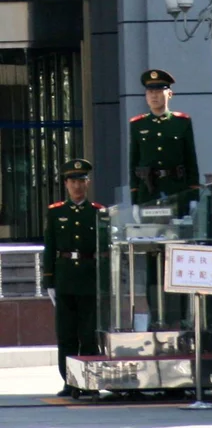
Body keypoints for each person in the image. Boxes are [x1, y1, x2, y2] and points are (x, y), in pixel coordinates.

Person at [129, 69, 200, 327]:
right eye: (150, 91)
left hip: (176, 194)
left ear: (169, 94)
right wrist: (135, 200)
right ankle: (155, 315)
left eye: (159, 91)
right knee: (152, 257)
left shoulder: (181, 122)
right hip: (150, 197)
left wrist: (192, 196)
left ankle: (179, 316)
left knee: (177, 256)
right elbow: (133, 163)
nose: (154, 96)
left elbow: (191, 160)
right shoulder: (138, 125)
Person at [42, 158, 104, 397]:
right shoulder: (56, 212)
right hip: (65, 277)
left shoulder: (97, 212)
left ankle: (88, 381)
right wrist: (49, 280)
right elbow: (49, 248)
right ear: (66, 184)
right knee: (66, 333)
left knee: (88, 333)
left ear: (87, 183)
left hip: (89, 277)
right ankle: (69, 381)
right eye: (73, 181)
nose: (77, 186)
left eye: (81, 181)